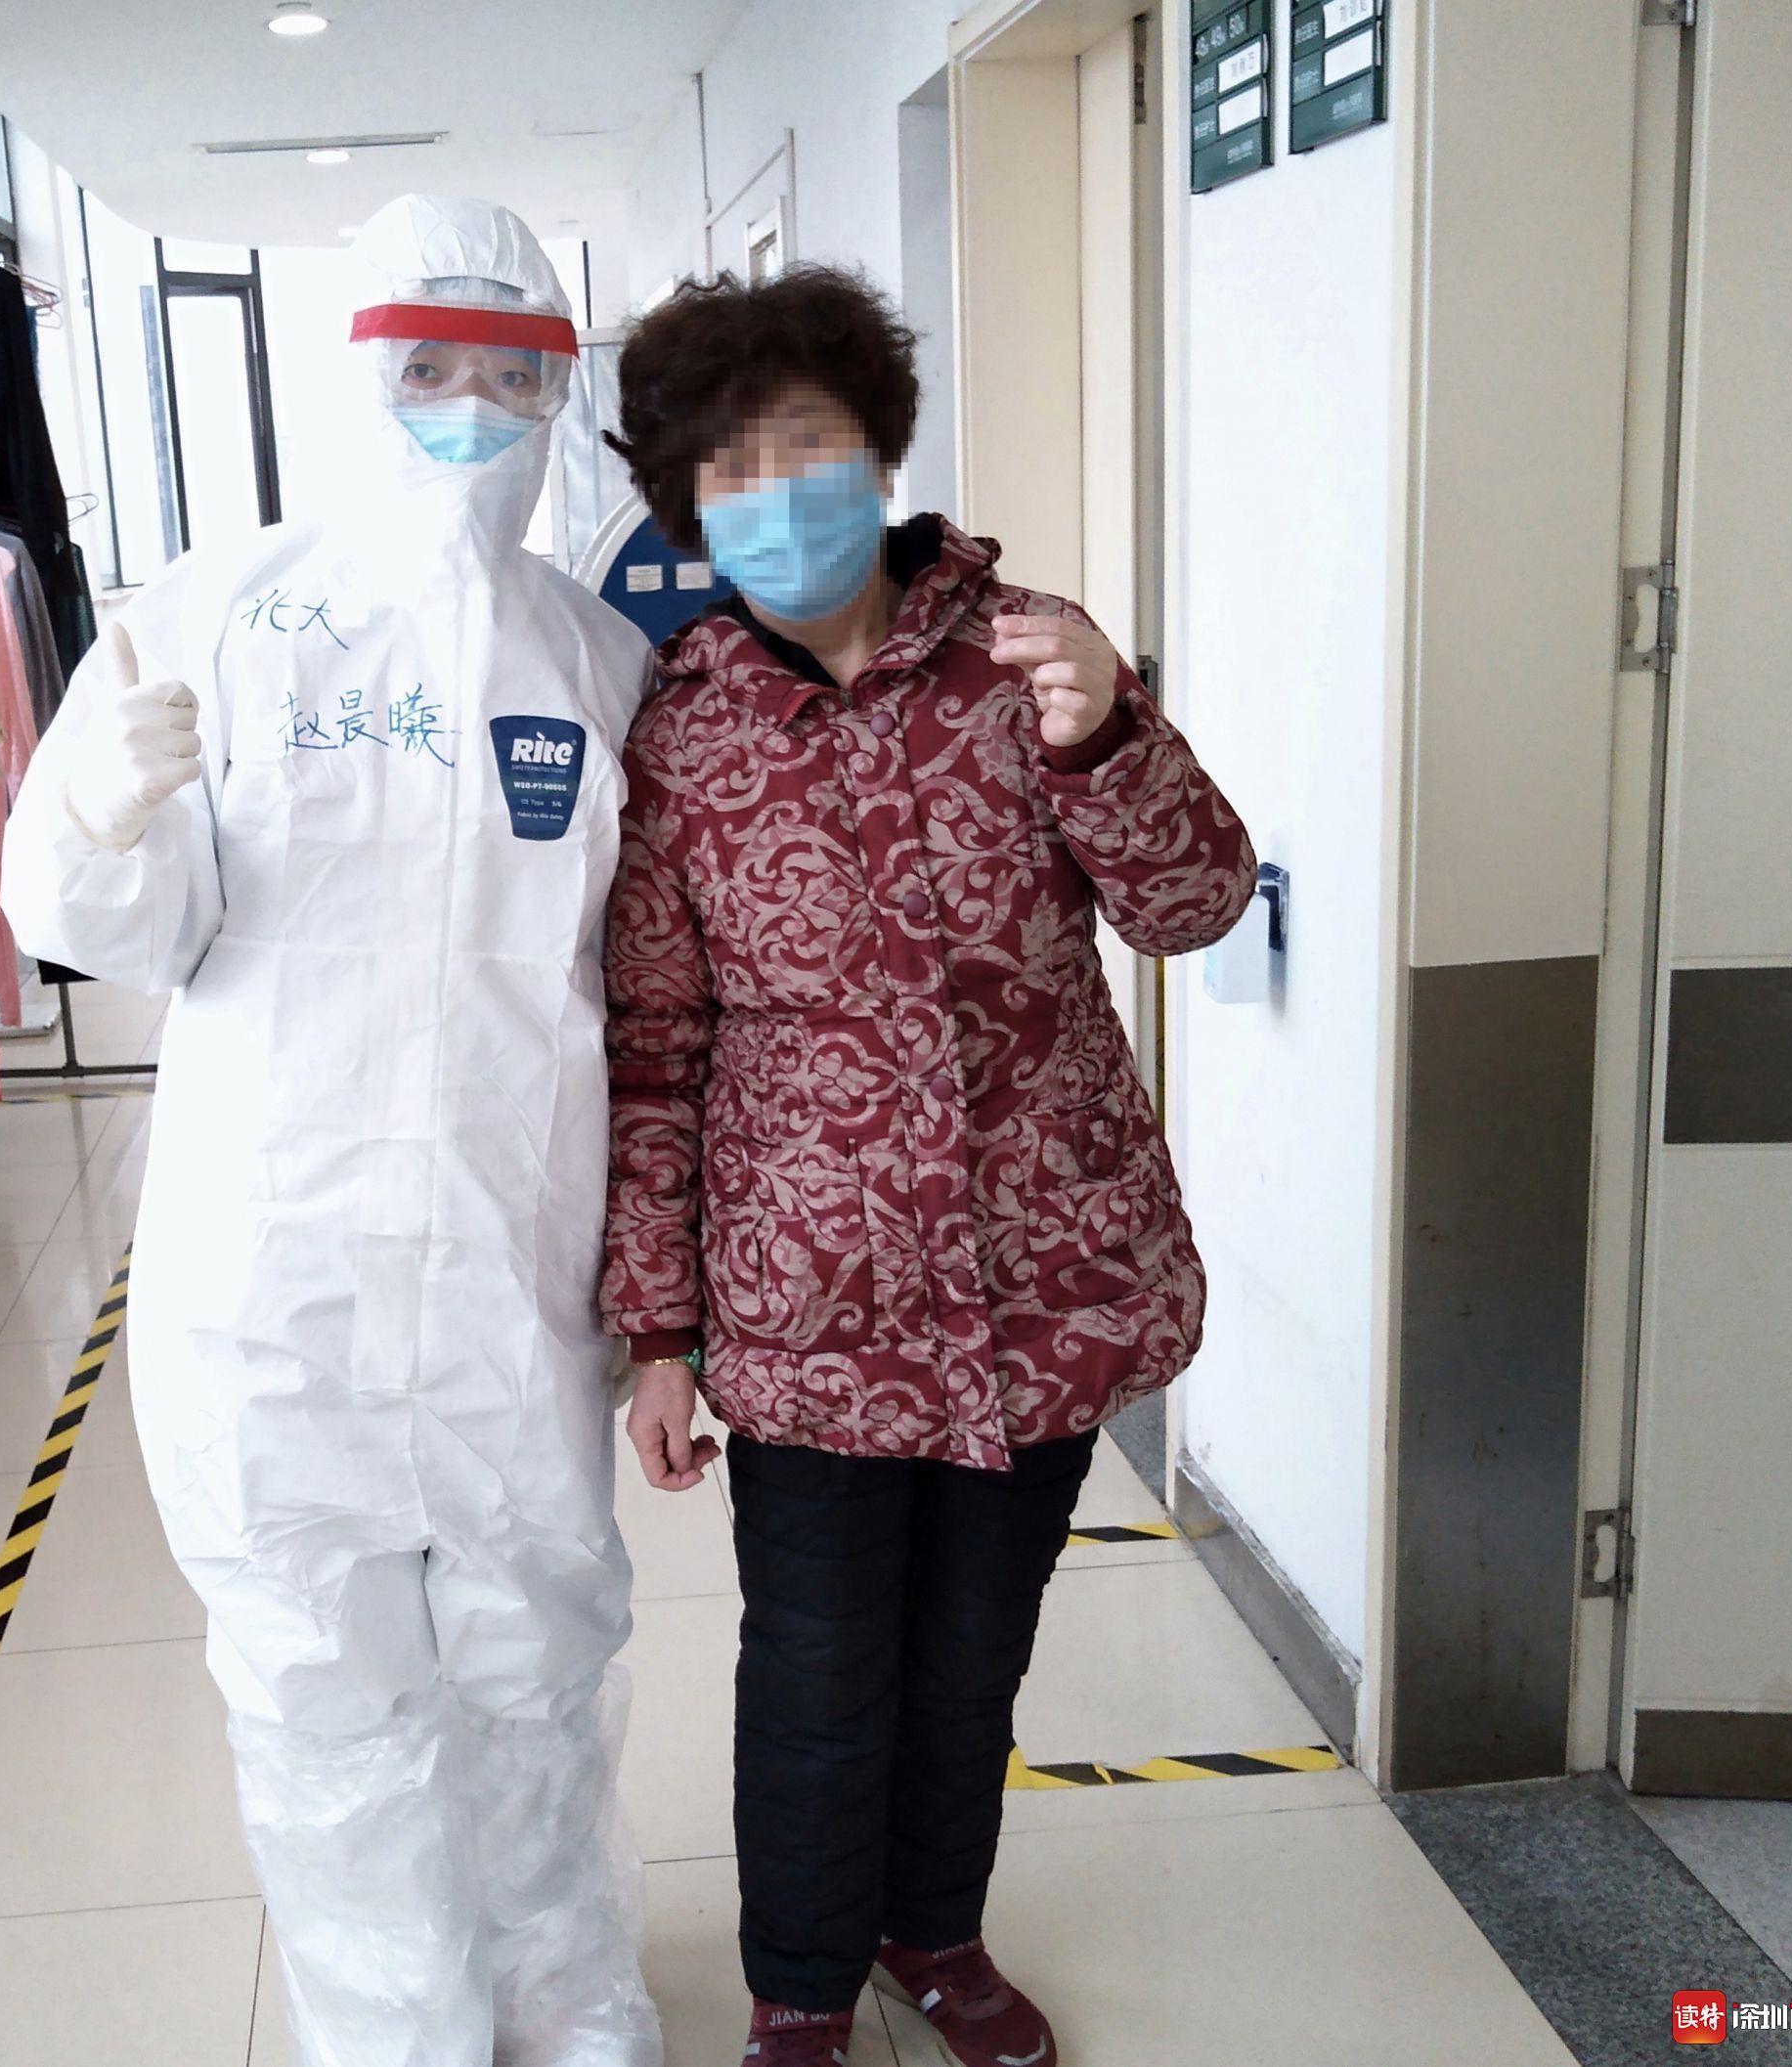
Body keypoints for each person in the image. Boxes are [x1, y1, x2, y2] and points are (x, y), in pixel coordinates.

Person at [1, 195, 662, 2067]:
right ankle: (399, 2032)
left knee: (534, 1672)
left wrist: (648, 1285)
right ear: (358, 370)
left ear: (559, 396)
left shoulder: (595, 658)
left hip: (515, 1272)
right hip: (274, 1279)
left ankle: (564, 2001)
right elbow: (114, 925)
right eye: (427, 367)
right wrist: (99, 818)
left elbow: (636, 981)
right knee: (324, 1698)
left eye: (511, 377)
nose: (469, 411)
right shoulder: (215, 611)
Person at [600, 266, 1257, 2067]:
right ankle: (803, 1986)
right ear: (686, 508)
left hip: (1043, 1278)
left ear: (882, 453)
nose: (780, 498)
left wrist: (1112, 727)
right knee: (817, 1680)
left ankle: (935, 1930)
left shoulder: (1026, 659)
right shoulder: (685, 732)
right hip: (811, 1305)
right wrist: (657, 1332)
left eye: (810, 448)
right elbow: (654, 1047)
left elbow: (1195, 903)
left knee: (974, 1663)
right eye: (733, 471)